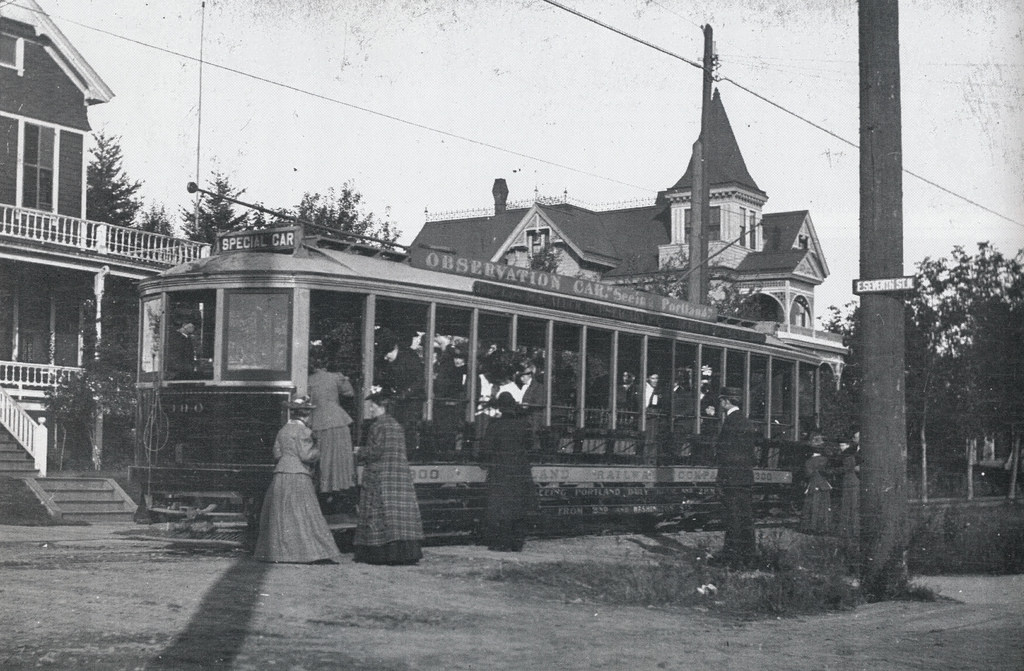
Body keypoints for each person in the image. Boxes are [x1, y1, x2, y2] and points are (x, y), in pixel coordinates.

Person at [254, 396, 341, 564]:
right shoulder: (304, 431)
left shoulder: (283, 430)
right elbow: (306, 455)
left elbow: (277, 454)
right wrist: (317, 449)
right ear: (306, 414)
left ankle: (279, 554)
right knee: (305, 514)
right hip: (299, 474)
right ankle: (309, 553)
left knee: (280, 515)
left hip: (281, 473)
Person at [354, 385, 425, 565]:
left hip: (380, 476)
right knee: (399, 514)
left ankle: (378, 554)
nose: (370, 409)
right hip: (399, 476)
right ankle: (405, 554)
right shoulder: (396, 425)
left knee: (378, 514)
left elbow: (375, 452)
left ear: (382, 407)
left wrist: (358, 451)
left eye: (373, 406)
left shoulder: (377, 426)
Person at [481, 392, 538, 551]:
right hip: (520, 469)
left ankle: (502, 542)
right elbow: (531, 445)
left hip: (501, 470)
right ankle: (517, 542)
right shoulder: (524, 424)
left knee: (501, 507)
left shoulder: (495, 425)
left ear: (500, 407)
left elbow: (486, 449)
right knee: (519, 506)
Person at [713, 386, 757, 568]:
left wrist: (721, 478)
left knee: (733, 519)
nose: (720, 404)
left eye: (721, 400)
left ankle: (733, 558)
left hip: (731, 477)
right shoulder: (746, 421)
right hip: (745, 477)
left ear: (726, 401)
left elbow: (725, 454)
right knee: (745, 518)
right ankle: (749, 557)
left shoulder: (730, 422)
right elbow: (751, 454)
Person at [307, 348, 357, 510]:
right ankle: (338, 489)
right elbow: (350, 393)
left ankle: (324, 491)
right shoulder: (336, 377)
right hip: (338, 420)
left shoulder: (308, 380)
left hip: (319, 421)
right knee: (339, 457)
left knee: (324, 457)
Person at [800, 449, 833, 535]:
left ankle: (811, 527)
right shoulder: (825, 459)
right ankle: (823, 527)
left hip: (814, 484)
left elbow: (808, 474)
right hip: (824, 485)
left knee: (812, 505)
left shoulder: (809, 461)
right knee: (823, 506)